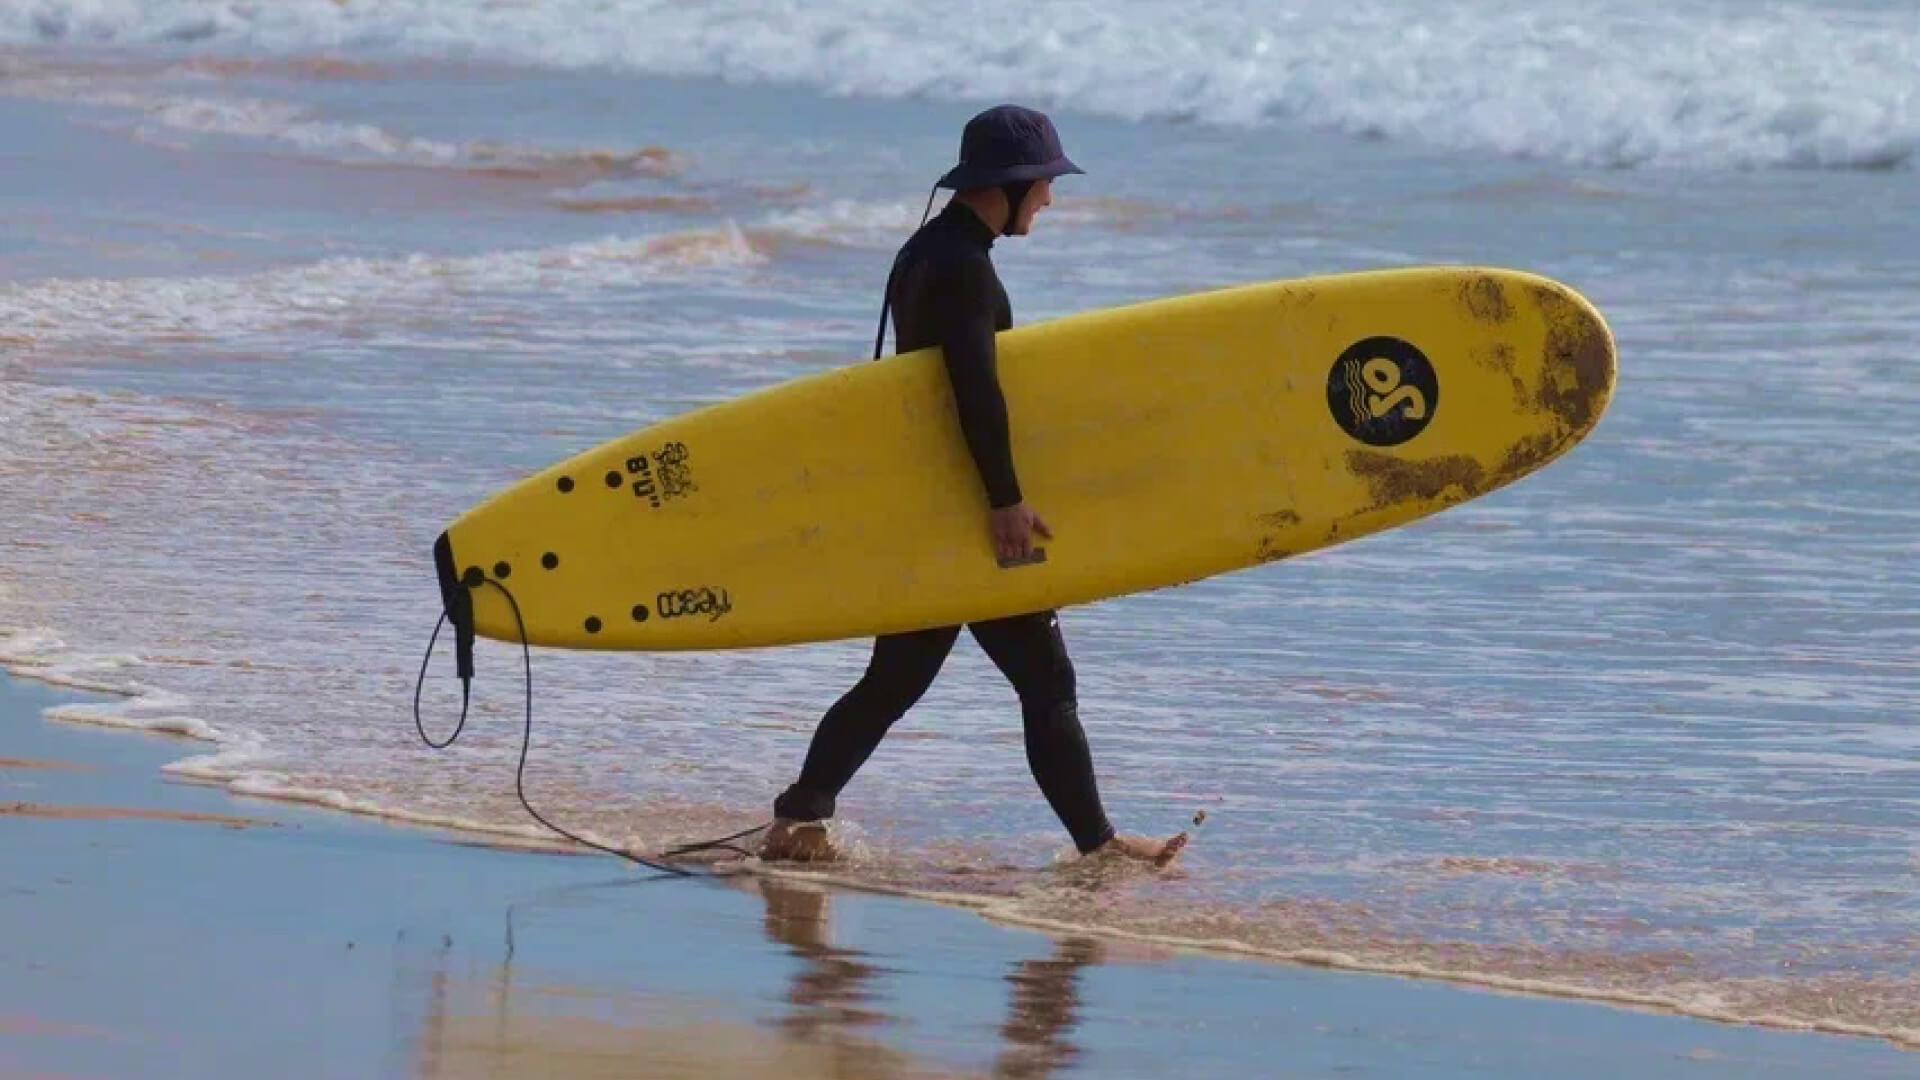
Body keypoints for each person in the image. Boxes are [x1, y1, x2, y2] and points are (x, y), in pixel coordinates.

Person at [760, 104, 1187, 867]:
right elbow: (973, 393)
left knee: (897, 677)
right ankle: (1100, 849)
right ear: (1011, 185)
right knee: (1045, 681)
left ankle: (798, 818)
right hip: (967, 507)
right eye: (1046, 185)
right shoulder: (962, 269)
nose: (1051, 201)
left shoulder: (929, 251)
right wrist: (1004, 502)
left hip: (934, 501)